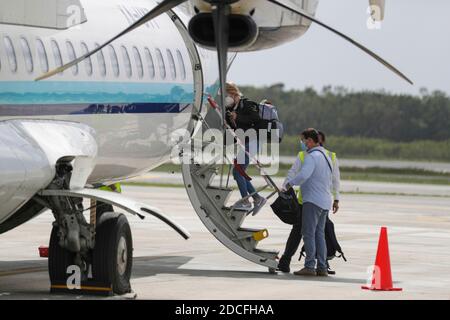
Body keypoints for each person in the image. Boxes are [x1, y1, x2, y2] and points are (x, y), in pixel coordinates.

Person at [282, 128, 333, 277]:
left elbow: (304, 175)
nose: (303, 144)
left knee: (308, 233)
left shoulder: (312, 156)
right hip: (325, 201)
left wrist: (288, 185)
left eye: (304, 141)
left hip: (312, 200)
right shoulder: (326, 156)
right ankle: (322, 267)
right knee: (319, 234)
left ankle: (310, 266)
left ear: (310, 141)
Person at [225, 82, 266, 215]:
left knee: (238, 171)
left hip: (253, 140)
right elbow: (232, 131)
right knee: (238, 172)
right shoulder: (231, 110)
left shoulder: (246, 104)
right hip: (245, 142)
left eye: (226, 95)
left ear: (233, 94)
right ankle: (257, 198)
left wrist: (238, 117)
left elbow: (256, 119)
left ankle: (247, 201)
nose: (225, 99)